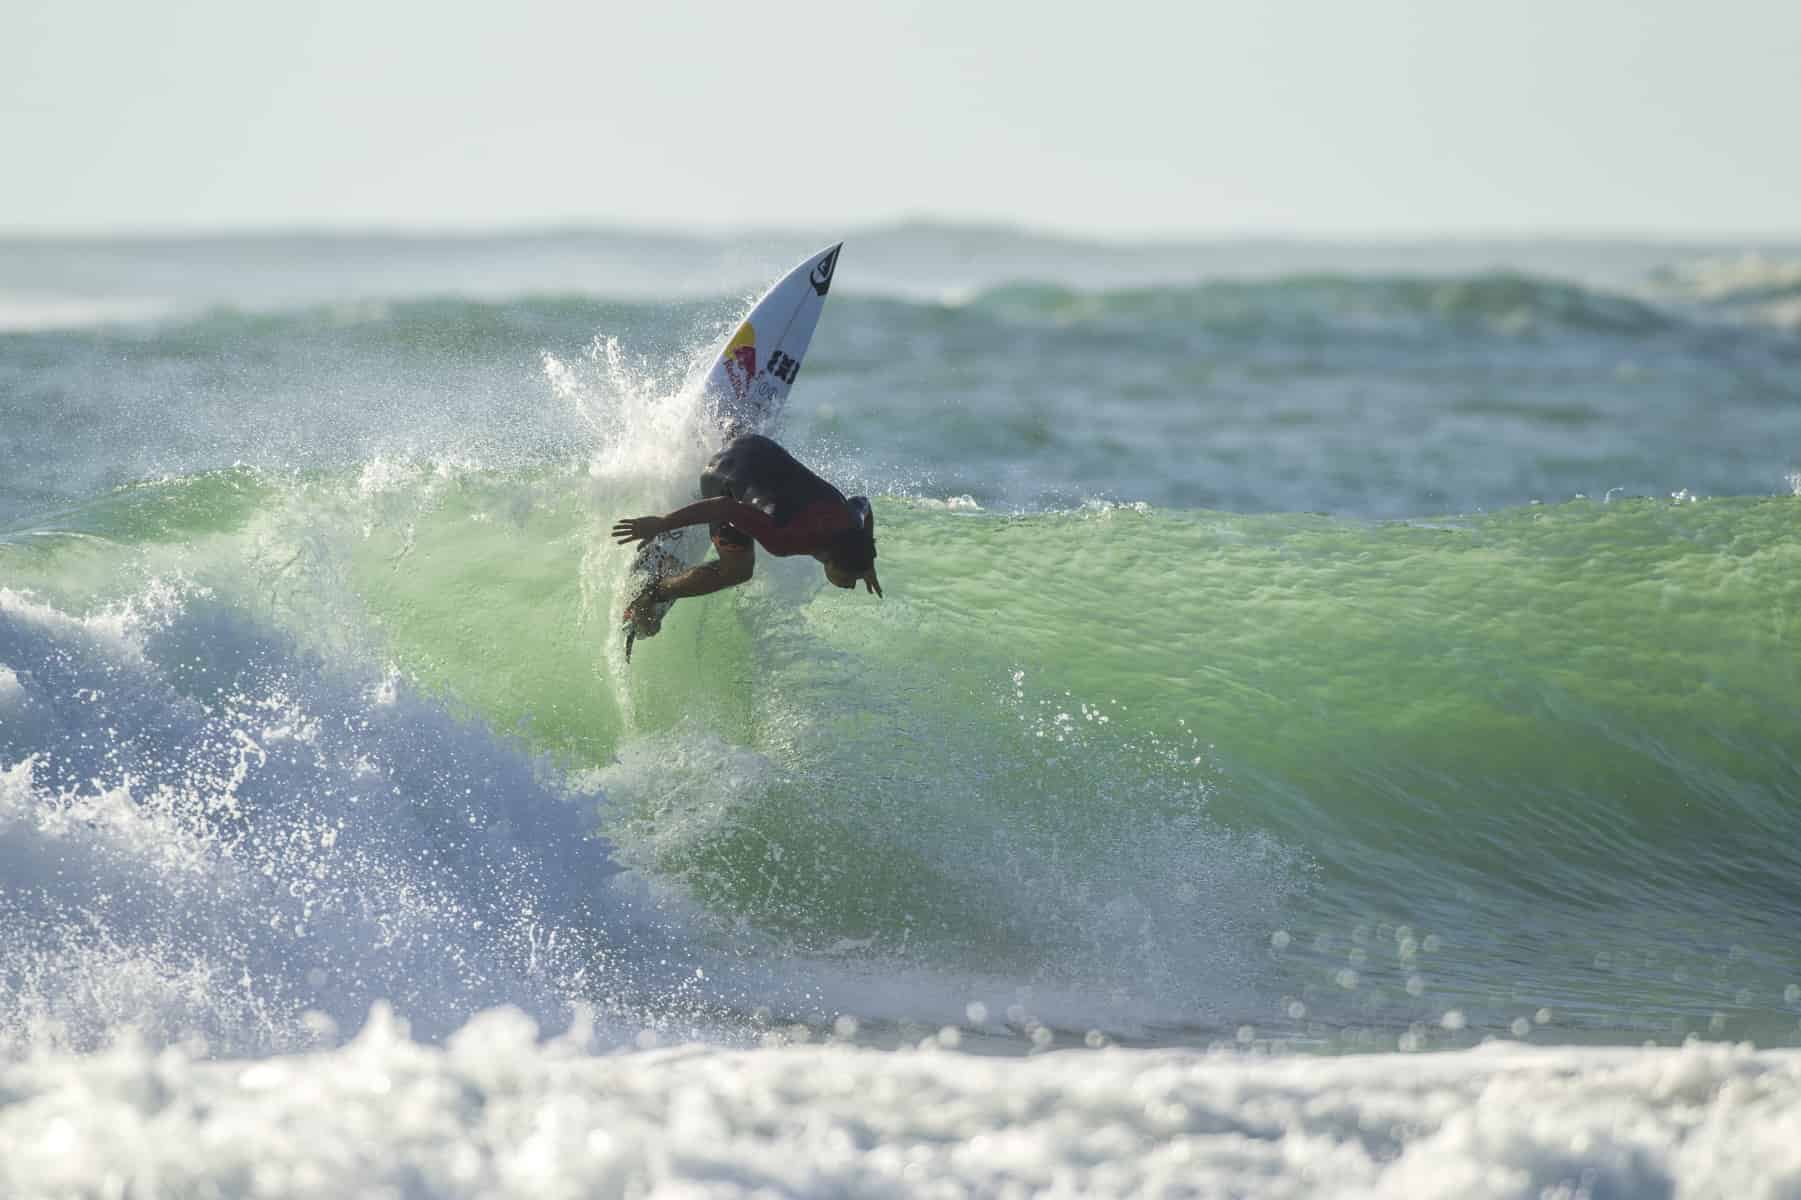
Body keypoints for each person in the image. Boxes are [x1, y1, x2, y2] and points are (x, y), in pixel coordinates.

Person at [611, 434, 881, 633]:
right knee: (738, 571)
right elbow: (724, 508)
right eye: (850, 577)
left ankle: (728, 431)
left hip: (753, 444)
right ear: (833, 558)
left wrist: (867, 565)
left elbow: (865, 504)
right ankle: (655, 592)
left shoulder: (851, 519)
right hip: (721, 476)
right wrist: (662, 523)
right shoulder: (787, 539)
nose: (850, 585)